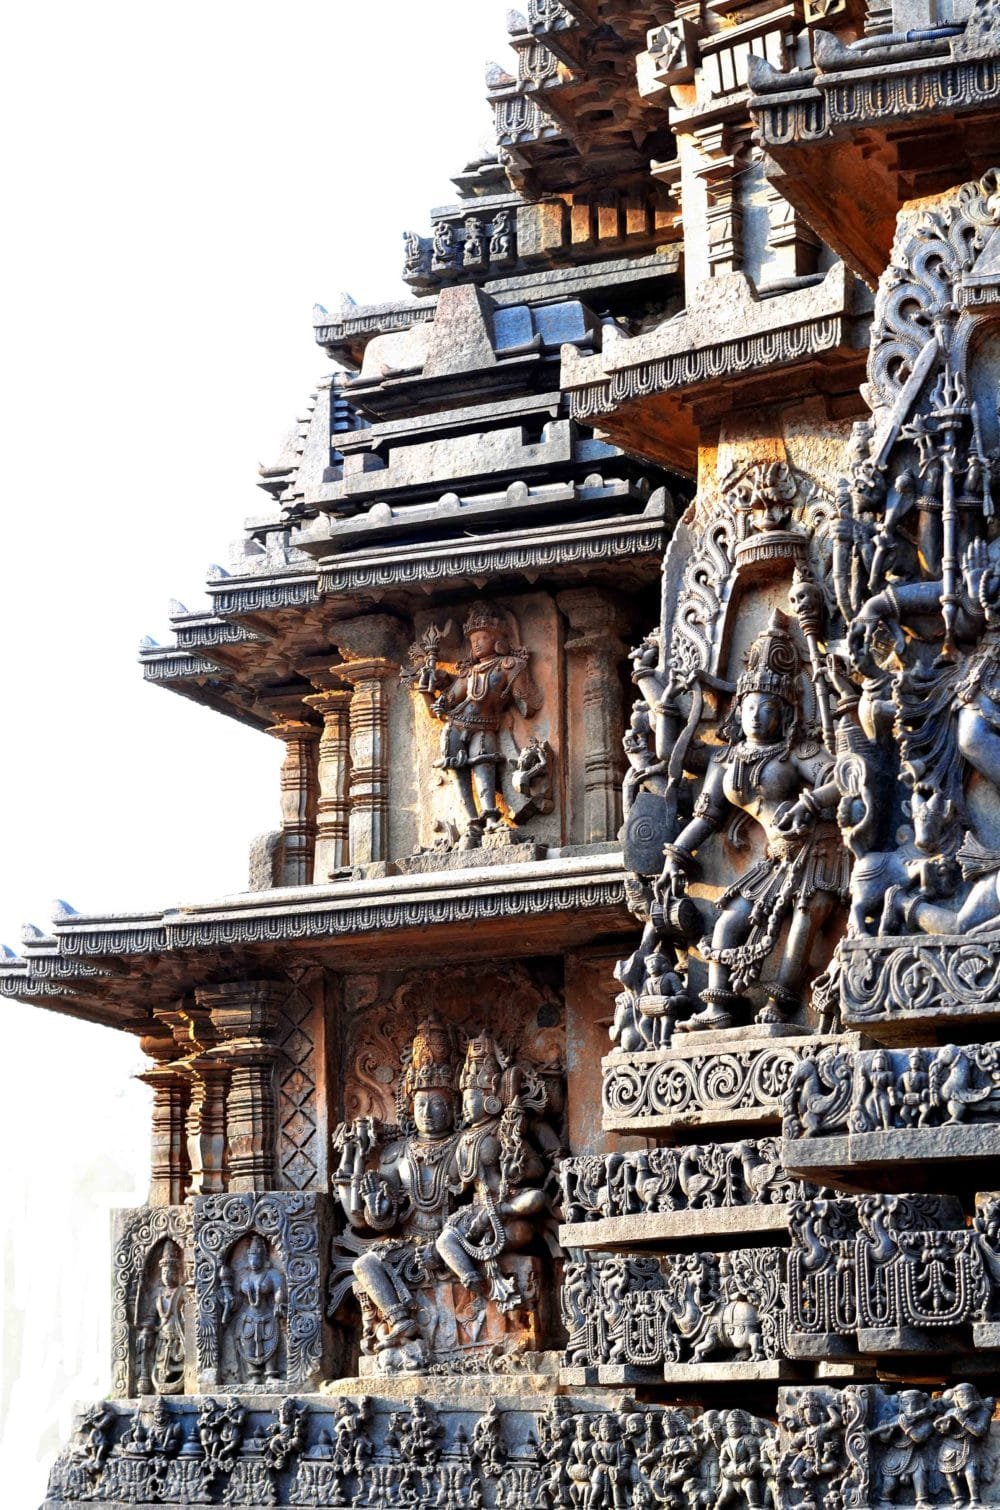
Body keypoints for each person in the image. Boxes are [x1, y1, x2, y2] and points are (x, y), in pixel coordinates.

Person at [659, 611, 848, 1030]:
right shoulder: (725, 760)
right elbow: (706, 815)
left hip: (817, 849)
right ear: (738, 709)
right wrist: (676, 854)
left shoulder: (795, 751)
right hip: (776, 857)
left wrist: (811, 805)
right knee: (728, 922)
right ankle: (718, 1009)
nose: (756, 717)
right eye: (749, 707)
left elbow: (844, 779)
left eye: (768, 708)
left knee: (804, 919)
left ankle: (781, 1007)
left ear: (784, 711)